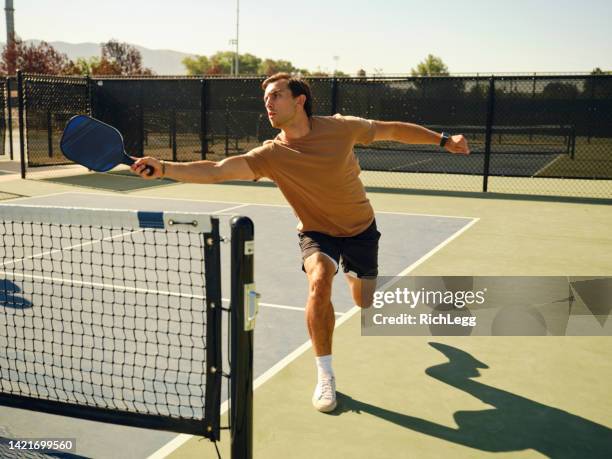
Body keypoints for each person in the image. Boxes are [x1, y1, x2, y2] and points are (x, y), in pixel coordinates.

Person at [131, 72, 470, 413]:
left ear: (299, 100)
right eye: (266, 99)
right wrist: (164, 167)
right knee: (319, 281)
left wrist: (443, 140)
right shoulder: (271, 154)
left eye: (276, 95)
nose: (269, 103)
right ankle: (325, 374)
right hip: (316, 232)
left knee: (364, 301)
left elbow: (394, 130)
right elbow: (218, 169)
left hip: (360, 229)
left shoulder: (342, 128)